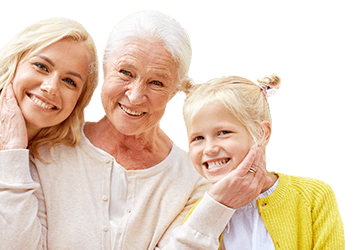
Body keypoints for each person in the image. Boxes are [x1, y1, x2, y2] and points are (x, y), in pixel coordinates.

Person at [0, 11, 269, 249]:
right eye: (125, 73)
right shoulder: (47, 149)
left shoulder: (193, 180)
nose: (135, 96)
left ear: (175, 91)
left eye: (156, 82)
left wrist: (216, 206)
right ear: (103, 71)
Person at [182, 74, 345, 249]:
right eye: (198, 137)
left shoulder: (313, 197)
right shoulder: (200, 213)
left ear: (261, 134)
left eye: (223, 132)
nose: (209, 149)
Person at [0, 17, 99, 247]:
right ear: (13, 63)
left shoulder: (55, 165)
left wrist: (13, 152)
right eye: (42, 66)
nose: (51, 87)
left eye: (69, 81)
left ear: (79, 101)